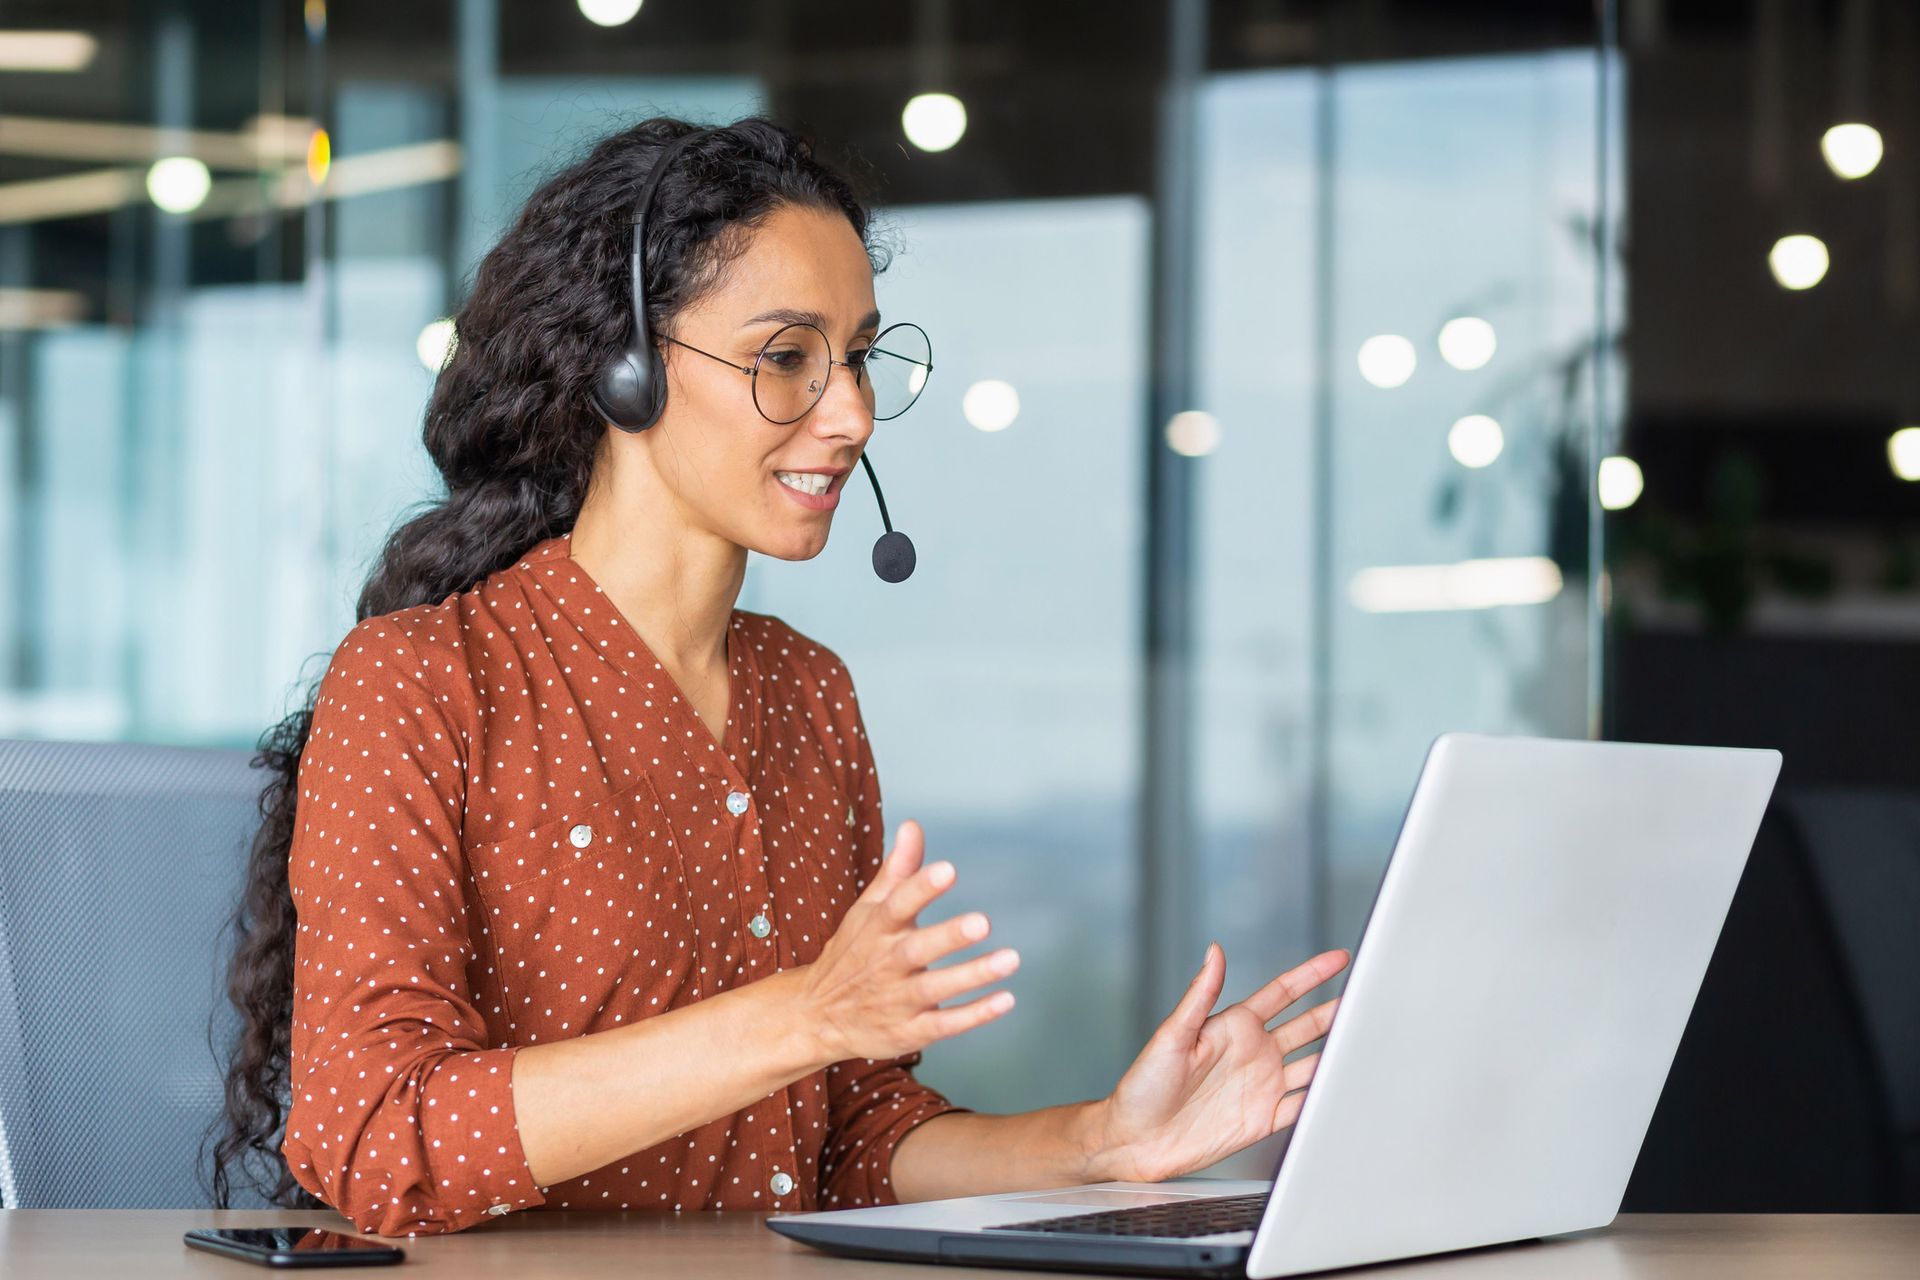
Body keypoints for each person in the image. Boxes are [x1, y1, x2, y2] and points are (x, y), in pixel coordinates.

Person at [209, 116, 1347, 1239]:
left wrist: (1100, 1142)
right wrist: (799, 1014)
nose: (849, 413)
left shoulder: (808, 694)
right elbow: (375, 1135)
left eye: (856, 357)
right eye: (787, 357)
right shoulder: (419, 679)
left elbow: (848, 1133)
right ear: (627, 367)